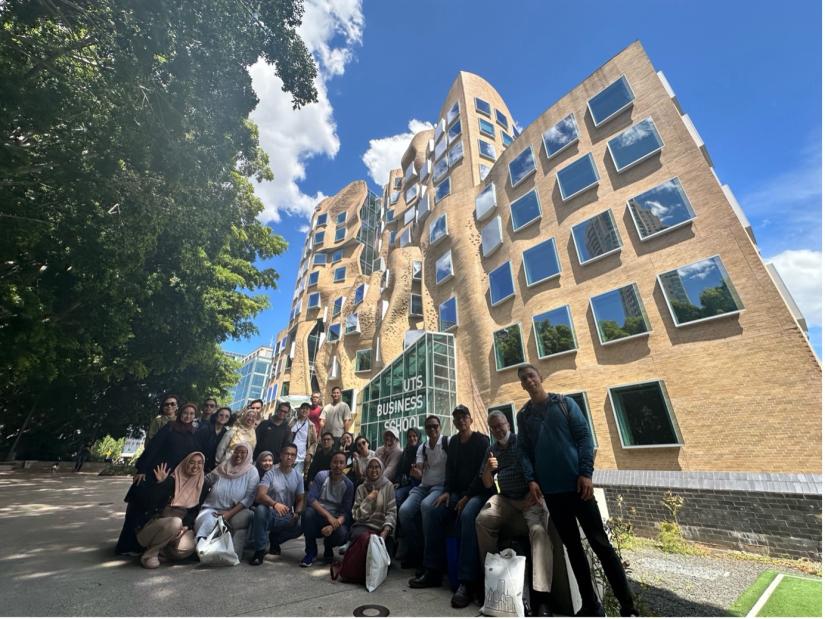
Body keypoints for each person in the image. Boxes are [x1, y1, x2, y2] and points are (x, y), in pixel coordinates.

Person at [516, 364, 638, 617]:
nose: (528, 381)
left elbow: (584, 437)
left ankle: (628, 606)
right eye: (523, 379)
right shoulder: (524, 416)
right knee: (573, 548)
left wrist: (586, 473)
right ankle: (591, 605)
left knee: (600, 544)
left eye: (531, 376)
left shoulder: (564, 404)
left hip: (578, 487)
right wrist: (531, 480)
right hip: (551, 492)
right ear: (522, 385)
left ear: (540, 377)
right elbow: (524, 452)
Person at [477, 411, 574, 616]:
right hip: (506, 500)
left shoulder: (522, 442)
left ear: (508, 424)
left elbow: (540, 467)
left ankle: (542, 599)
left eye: (500, 425)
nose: (497, 430)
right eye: (493, 427)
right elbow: (487, 483)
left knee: (539, 532)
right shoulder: (491, 449)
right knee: (483, 519)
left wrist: (533, 494)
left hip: (529, 498)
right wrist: (487, 469)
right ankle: (492, 580)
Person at [426, 405, 490, 607]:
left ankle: (466, 582)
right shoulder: (453, 442)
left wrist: (467, 496)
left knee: (467, 516)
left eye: (464, 417)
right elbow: (450, 471)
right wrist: (446, 491)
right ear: (453, 423)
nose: (461, 421)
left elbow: (483, 475)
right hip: (456, 494)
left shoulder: (482, 441)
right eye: (457, 418)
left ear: (470, 420)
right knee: (432, 510)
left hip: (478, 494)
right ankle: (433, 570)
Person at [132, 451, 207, 568]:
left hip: (180, 528)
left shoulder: (202, 484)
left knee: (189, 546)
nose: (195, 466)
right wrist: (161, 484)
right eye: (192, 463)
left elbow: (195, 512)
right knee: (175, 522)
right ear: (185, 463)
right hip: (156, 525)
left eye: (199, 463)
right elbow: (150, 504)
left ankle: (163, 553)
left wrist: (186, 526)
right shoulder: (173, 480)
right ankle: (150, 554)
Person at [398, 415, 448, 576]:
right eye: (428, 427)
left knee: (426, 506)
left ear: (440, 427)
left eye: (435, 426)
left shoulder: (448, 442)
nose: (432, 429)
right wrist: (417, 471)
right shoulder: (423, 447)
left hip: (440, 486)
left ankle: (430, 562)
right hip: (423, 486)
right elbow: (419, 470)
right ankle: (416, 552)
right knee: (404, 511)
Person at [194, 442, 258, 560]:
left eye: (243, 452)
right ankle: (201, 549)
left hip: (235, 510)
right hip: (211, 507)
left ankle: (226, 553)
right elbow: (206, 480)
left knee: (229, 520)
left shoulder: (252, 472)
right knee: (207, 521)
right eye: (236, 451)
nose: (238, 455)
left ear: (249, 455)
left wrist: (229, 514)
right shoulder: (223, 466)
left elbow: (249, 498)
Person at [249, 444, 304, 565]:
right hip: (270, 513)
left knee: (302, 523)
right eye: (287, 454)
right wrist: (275, 504)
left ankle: (275, 540)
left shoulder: (298, 477)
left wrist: (297, 513)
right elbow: (260, 495)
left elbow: (300, 499)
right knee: (260, 510)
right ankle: (259, 551)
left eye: (293, 455)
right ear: (281, 455)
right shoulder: (270, 473)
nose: (289, 457)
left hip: (286, 515)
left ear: (295, 458)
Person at [300, 451, 354, 567]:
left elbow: (346, 512)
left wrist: (333, 524)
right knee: (307, 513)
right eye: (335, 462)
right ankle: (310, 551)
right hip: (319, 514)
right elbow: (311, 499)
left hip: (335, 518)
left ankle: (328, 547)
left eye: (341, 463)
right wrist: (328, 517)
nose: (338, 466)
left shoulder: (348, 485)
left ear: (345, 466)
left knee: (342, 534)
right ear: (330, 463)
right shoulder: (322, 476)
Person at [134, 402, 200, 484]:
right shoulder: (170, 427)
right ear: (180, 414)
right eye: (185, 413)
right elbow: (153, 446)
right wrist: (142, 469)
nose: (188, 416)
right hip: (159, 469)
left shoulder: (194, 432)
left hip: (179, 475)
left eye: (192, 414)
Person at [350, 456, 397, 557]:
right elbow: (356, 515)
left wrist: (385, 531)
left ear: (381, 469)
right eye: (370, 467)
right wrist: (368, 500)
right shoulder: (361, 488)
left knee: (384, 553)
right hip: (364, 526)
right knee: (364, 543)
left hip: (382, 528)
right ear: (366, 470)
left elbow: (392, 511)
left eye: (377, 467)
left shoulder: (388, 486)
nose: (374, 470)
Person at [196, 405, 230, 472]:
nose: (223, 417)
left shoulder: (227, 433)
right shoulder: (205, 428)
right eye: (221, 415)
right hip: (199, 463)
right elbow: (196, 446)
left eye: (227, 416)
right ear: (216, 415)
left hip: (214, 467)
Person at [394, 427, 421, 508]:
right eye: (409, 436)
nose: (412, 438)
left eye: (414, 436)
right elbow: (400, 469)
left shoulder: (422, 450)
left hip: (418, 485)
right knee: (394, 495)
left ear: (418, 437)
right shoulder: (406, 451)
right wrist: (397, 481)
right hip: (405, 484)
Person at [290, 402, 318, 477]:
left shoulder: (311, 426)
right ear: (299, 410)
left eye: (307, 409)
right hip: (289, 455)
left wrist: (310, 454)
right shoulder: (292, 421)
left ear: (309, 412)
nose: (304, 410)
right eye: (303, 408)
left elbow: (314, 442)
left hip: (301, 457)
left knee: (296, 478)